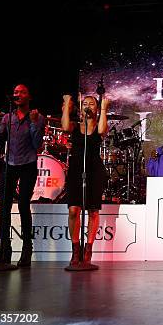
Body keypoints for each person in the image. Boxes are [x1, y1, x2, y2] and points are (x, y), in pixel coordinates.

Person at [0, 83, 45, 269]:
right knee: (4, 206)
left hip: (28, 165)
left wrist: (35, 124)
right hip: (10, 165)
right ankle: (5, 251)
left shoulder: (37, 117)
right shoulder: (7, 118)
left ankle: (27, 250)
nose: (17, 94)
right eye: (15, 92)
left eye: (21, 92)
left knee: (22, 205)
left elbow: (36, 144)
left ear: (29, 97)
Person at [62, 94, 109, 267]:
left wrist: (104, 108)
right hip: (76, 169)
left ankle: (88, 250)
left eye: (92, 103)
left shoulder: (98, 125)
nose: (88, 105)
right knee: (74, 210)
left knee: (93, 211)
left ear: (96, 108)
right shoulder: (75, 126)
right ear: (80, 108)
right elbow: (65, 126)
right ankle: (75, 249)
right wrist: (67, 104)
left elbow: (103, 130)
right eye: (85, 103)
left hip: (94, 170)